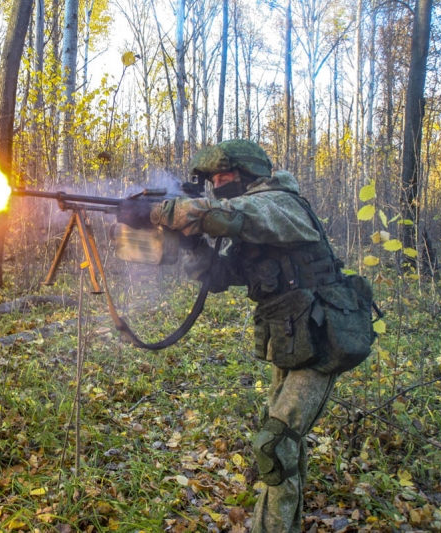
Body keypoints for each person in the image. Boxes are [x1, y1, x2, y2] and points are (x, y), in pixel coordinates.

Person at [117, 139, 352, 533]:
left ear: (248, 173)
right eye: (213, 178)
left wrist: (159, 212)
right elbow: (222, 276)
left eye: (225, 175)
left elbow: (228, 215)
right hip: (294, 340)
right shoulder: (253, 224)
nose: (218, 183)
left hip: (325, 338)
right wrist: (192, 244)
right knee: (284, 443)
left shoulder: (278, 204)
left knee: (274, 444)